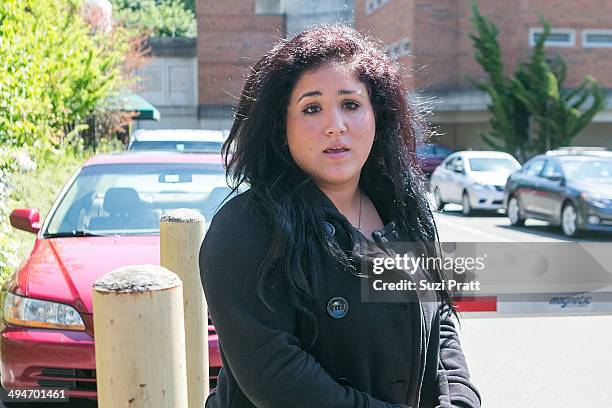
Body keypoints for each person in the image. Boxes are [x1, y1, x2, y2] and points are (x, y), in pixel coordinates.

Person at [199, 24, 481, 408]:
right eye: (312, 108)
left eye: (351, 104)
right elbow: (275, 373)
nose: (336, 125)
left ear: (376, 117)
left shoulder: (403, 208)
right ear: (282, 128)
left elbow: (440, 322)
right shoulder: (245, 227)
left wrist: (459, 401)